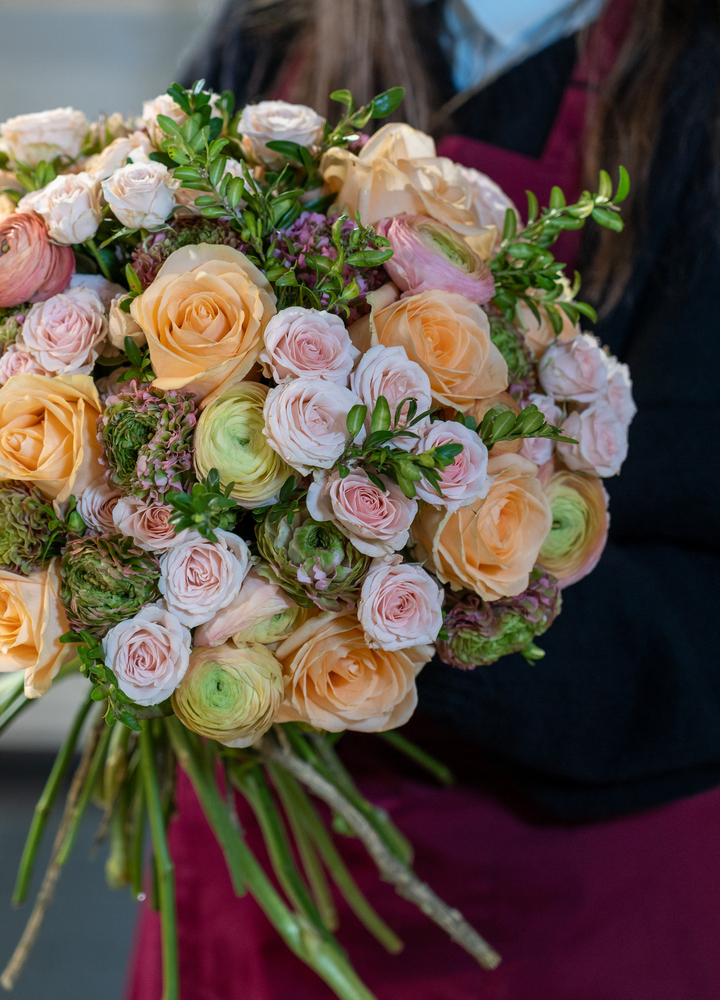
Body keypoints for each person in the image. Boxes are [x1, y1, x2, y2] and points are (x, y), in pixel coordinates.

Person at [127, 1, 720, 997]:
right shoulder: (280, 33)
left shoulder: (695, 84)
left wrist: (393, 614)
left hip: (562, 893)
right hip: (255, 874)